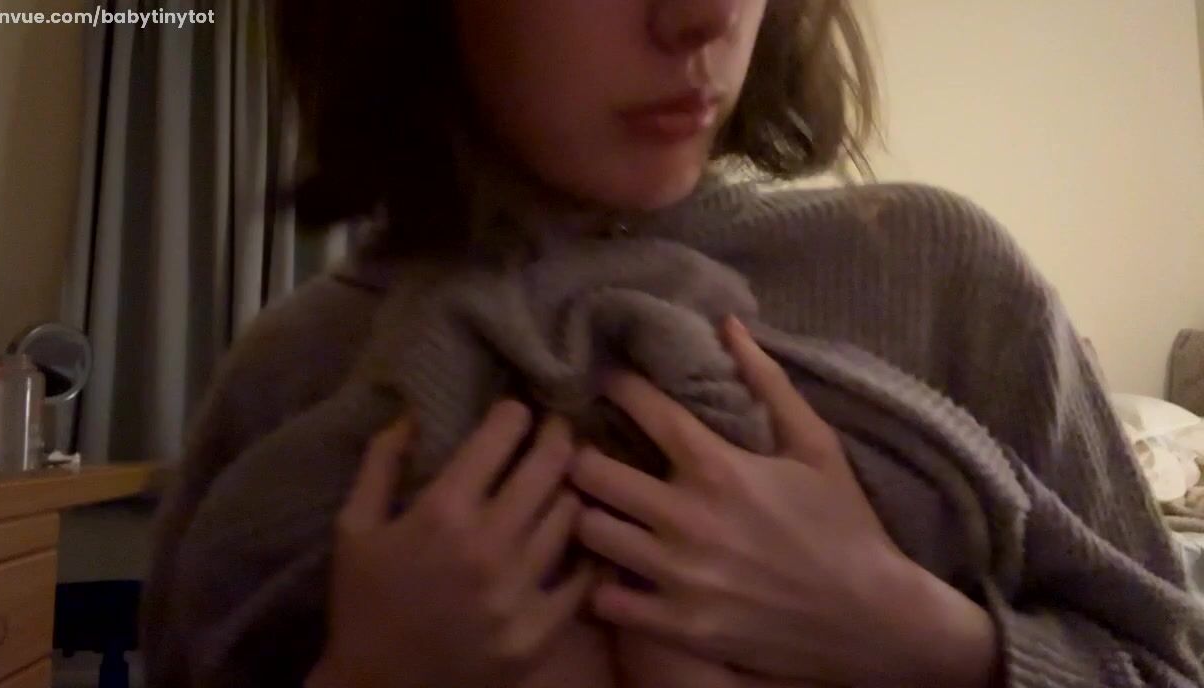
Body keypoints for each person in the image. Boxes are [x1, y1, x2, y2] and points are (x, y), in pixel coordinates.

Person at [143, 1, 1204, 687]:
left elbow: (1165, 664)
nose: (701, 15)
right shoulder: (295, 371)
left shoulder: (946, 279)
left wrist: (919, 636)